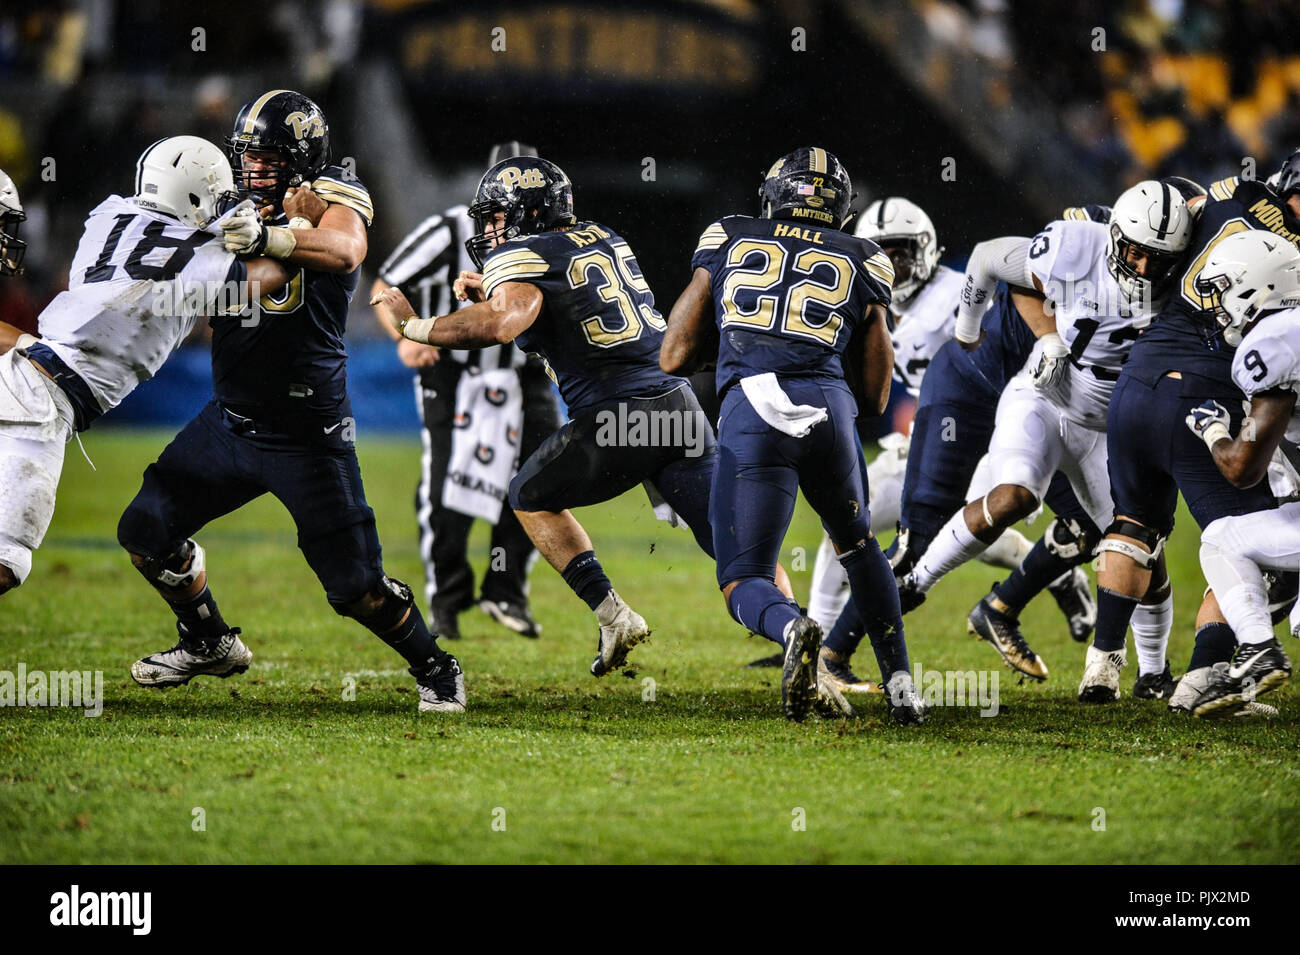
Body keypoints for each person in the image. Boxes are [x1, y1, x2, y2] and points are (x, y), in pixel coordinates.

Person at [119, 92, 466, 714]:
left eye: (269, 157)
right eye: (247, 155)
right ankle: (208, 639)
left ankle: (437, 667)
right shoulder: (225, 200)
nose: (253, 169)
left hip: (307, 432)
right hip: (229, 420)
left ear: (303, 158)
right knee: (145, 529)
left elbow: (346, 251)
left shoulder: (334, 191)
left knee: (357, 590)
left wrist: (273, 236)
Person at [373, 155, 726, 681]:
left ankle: (614, 616)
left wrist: (414, 327)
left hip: (618, 419)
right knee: (735, 547)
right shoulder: (604, 237)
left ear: (529, 214)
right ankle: (795, 630)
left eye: (497, 217)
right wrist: (496, 295)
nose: (489, 230)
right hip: (678, 409)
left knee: (528, 495)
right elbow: (554, 303)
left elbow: (501, 322)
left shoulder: (521, 254)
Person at [660, 147, 925, 724]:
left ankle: (792, 626)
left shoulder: (730, 234)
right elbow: (878, 397)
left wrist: (733, 343)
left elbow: (674, 353)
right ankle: (902, 685)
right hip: (829, 407)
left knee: (743, 577)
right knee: (858, 544)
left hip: (755, 407)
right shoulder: (865, 256)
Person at [898, 182, 1194, 691]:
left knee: (1141, 547)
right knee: (1012, 496)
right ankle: (915, 585)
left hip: (1105, 429)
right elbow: (995, 261)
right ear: (1114, 237)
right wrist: (989, 333)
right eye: (1135, 253)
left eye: (1158, 259)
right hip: (1042, 397)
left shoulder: (1191, 286)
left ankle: (1152, 672)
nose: (1143, 269)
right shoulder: (1077, 246)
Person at [805, 197, 1092, 694]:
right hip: (951, 421)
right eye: (882, 254)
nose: (893, 267)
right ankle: (824, 646)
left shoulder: (949, 295)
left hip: (1001, 416)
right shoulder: (875, 307)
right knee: (896, 535)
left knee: (1085, 521)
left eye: (901, 253)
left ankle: (826, 645)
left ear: (927, 249)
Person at [0, 139, 289, 596]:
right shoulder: (199, 261)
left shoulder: (107, 216)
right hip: (39, 405)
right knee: (4, 562)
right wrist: (286, 231)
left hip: (26, 371)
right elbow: (273, 274)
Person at [1092, 156, 1300, 709]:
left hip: (1138, 380)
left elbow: (1179, 213)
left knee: (1132, 523)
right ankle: (1205, 675)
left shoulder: (1237, 195)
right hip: (1208, 391)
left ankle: (1102, 666)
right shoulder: (1283, 295)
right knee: (1242, 539)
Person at [370, 142, 561, 640]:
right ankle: (447, 602)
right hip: (453, 371)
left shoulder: (559, 241)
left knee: (540, 482)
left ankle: (506, 591)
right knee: (444, 488)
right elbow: (385, 285)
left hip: (526, 374)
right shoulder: (451, 229)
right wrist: (403, 340)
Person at [1182, 230, 1298, 716]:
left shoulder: (1275, 342)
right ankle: (1256, 651)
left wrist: (1211, 430)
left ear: (1258, 289)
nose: (1217, 306)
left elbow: (1242, 469)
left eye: (1225, 290)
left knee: (1221, 540)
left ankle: (1257, 647)